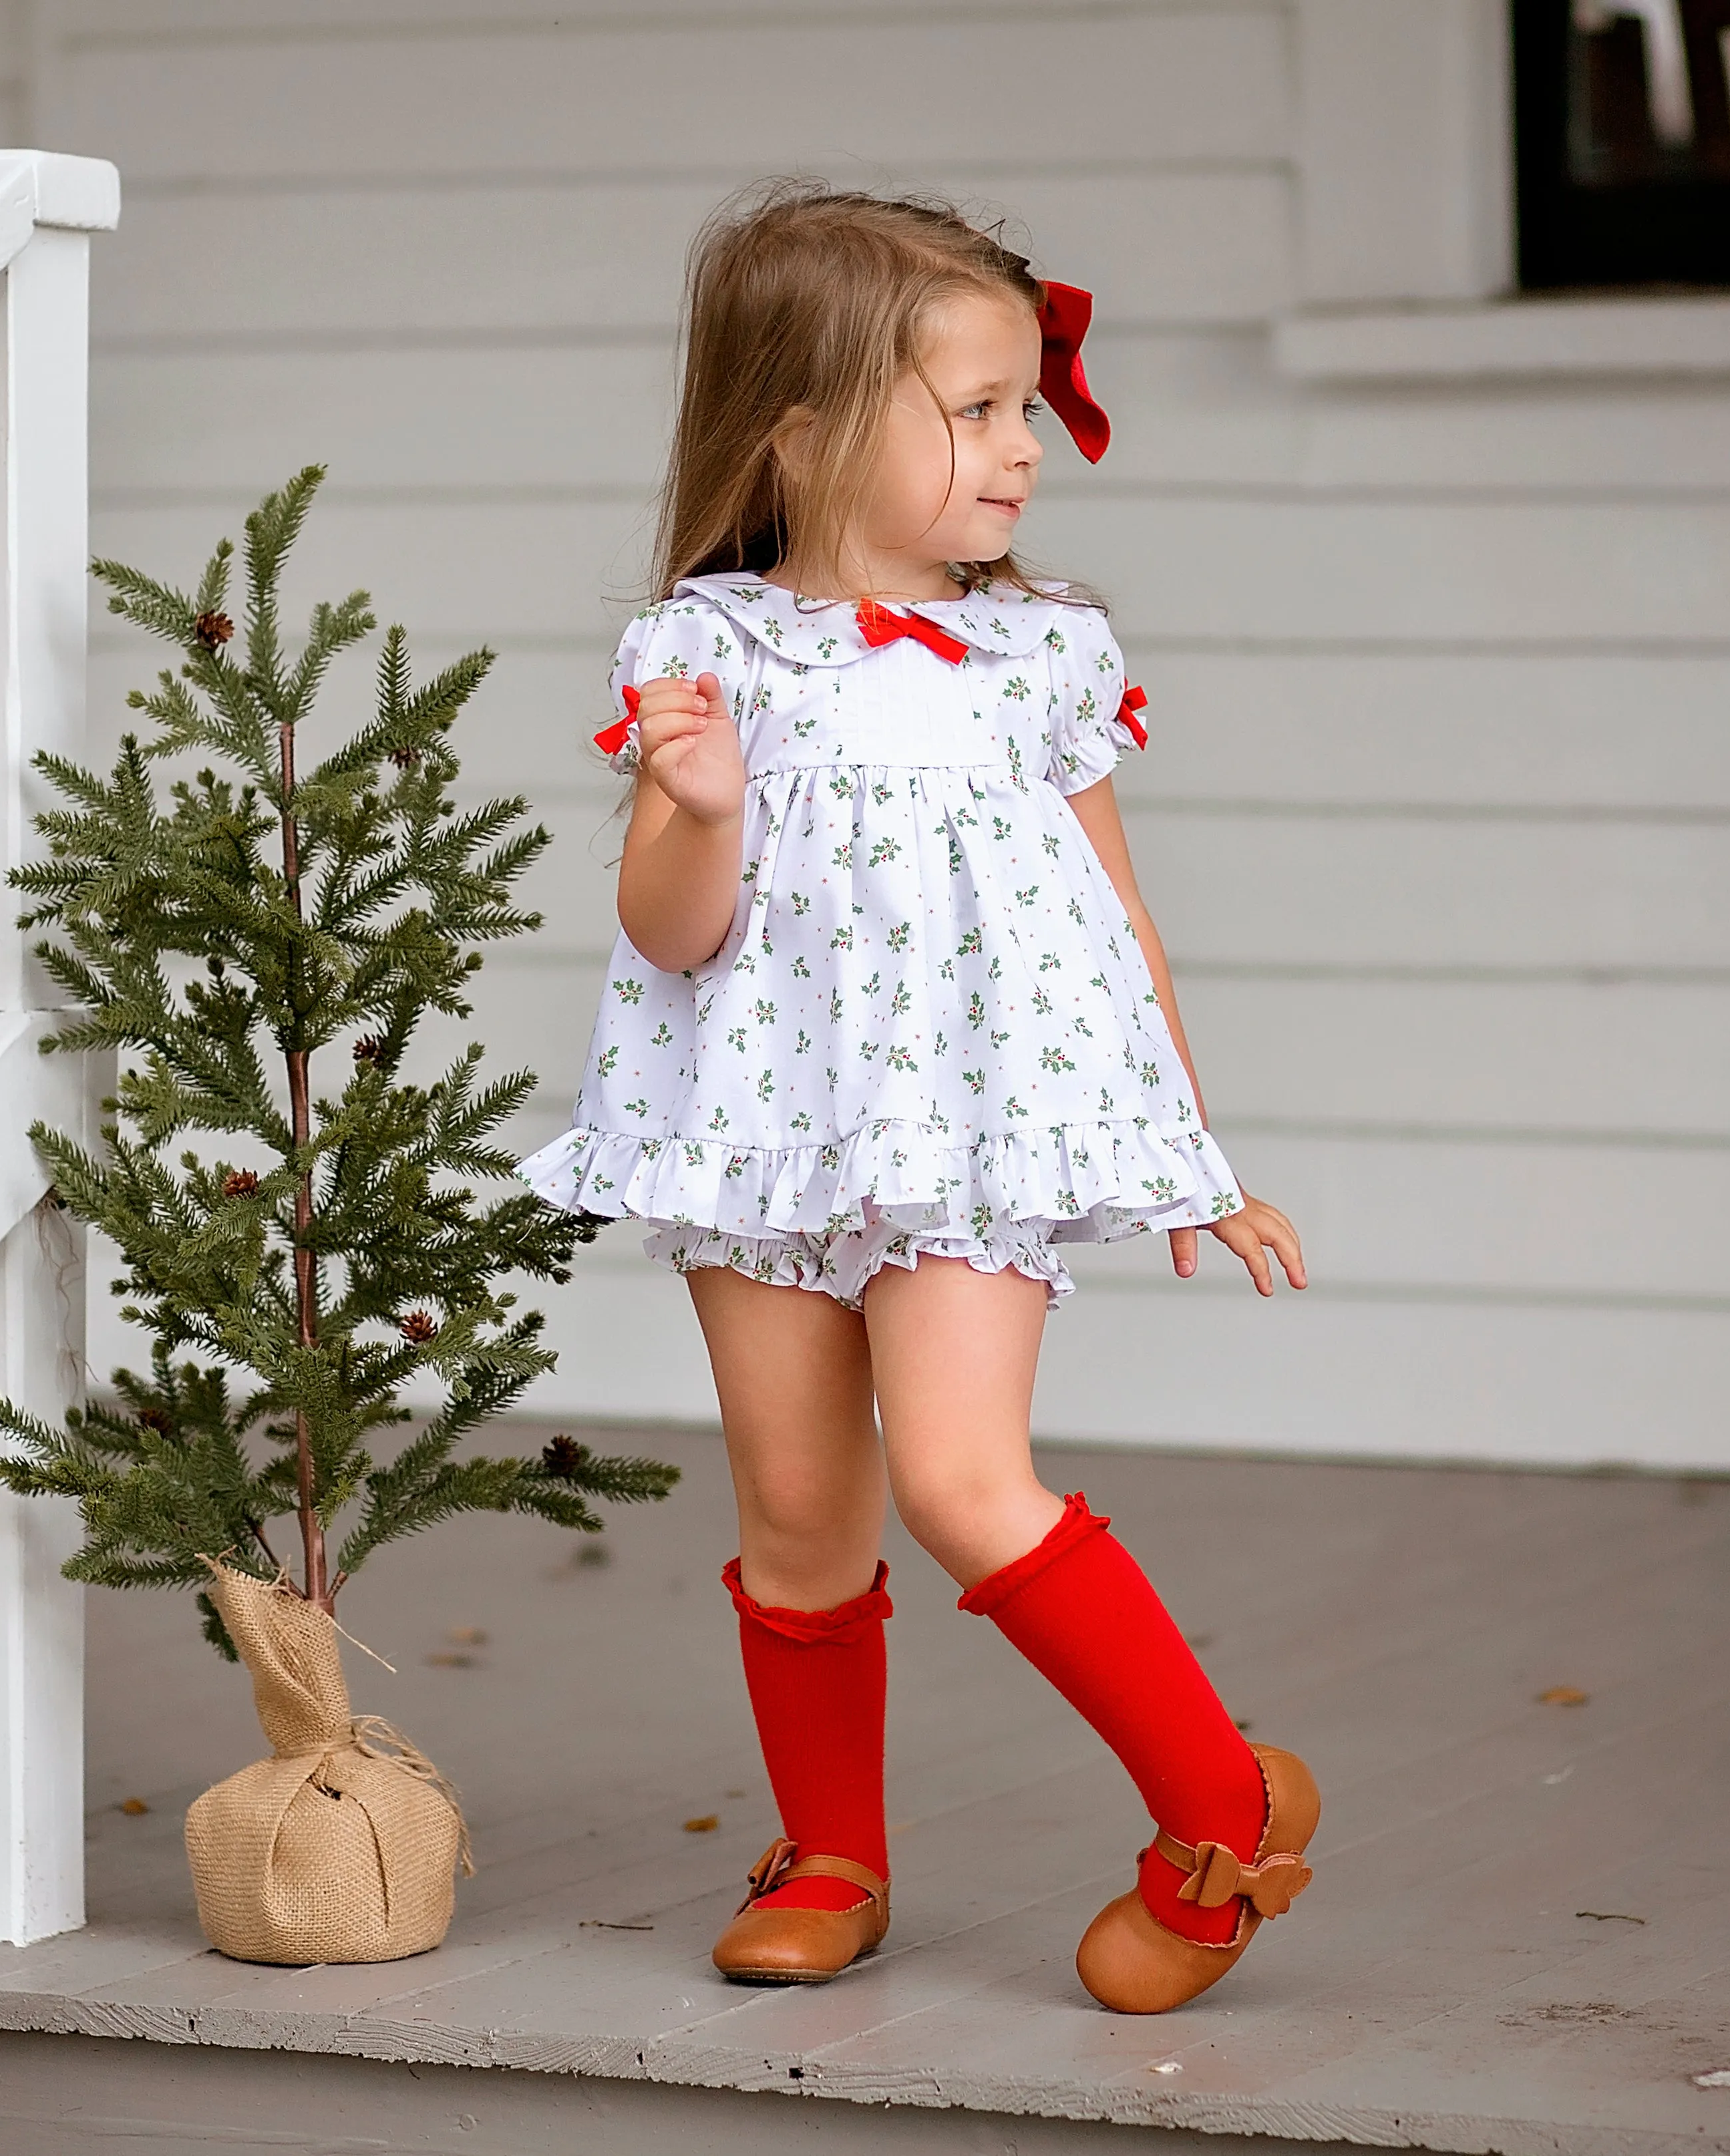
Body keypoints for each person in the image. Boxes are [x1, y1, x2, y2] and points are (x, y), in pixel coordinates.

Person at [518, 184, 1315, 2016]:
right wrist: (703, 807)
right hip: (767, 1136)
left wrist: (1190, 1151)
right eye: (976, 409)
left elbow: (1120, 925)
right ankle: (835, 1853)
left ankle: (1214, 1821)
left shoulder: (1043, 656)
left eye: (1027, 406)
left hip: (974, 1142)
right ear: (798, 434)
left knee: (962, 1477)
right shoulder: (708, 655)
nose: (1023, 449)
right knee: (801, 1508)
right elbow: (669, 931)